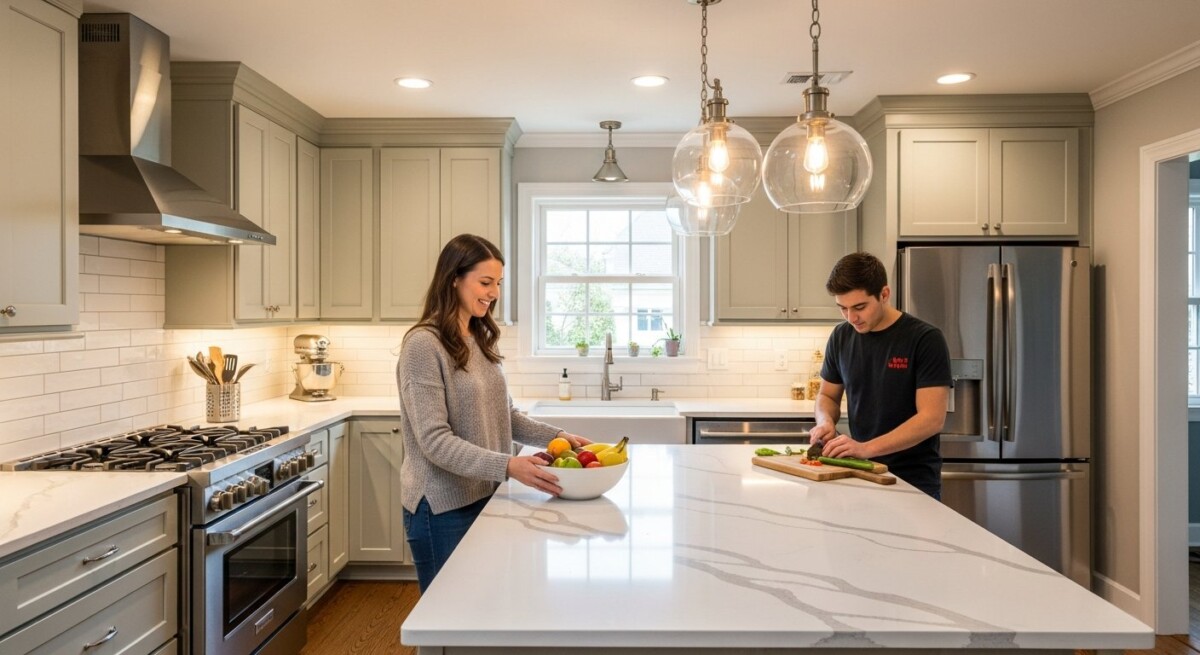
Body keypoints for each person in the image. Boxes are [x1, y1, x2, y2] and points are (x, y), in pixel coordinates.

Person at [397, 233, 591, 592]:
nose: (494, 293)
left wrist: (557, 436)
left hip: (485, 494)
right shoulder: (423, 345)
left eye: (498, 283)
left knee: (484, 607)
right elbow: (434, 441)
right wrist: (507, 466)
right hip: (442, 507)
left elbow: (506, 415)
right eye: (485, 282)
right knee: (447, 620)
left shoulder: (479, 337)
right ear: (454, 278)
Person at [809, 252, 951, 499]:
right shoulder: (841, 337)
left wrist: (865, 448)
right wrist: (825, 421)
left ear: (884, 294)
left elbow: (932, 418)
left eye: (860, 307)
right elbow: (827, 396)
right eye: (843, 308)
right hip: (861, 474)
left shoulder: (925, 339)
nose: (851, 318)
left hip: (915, 482)